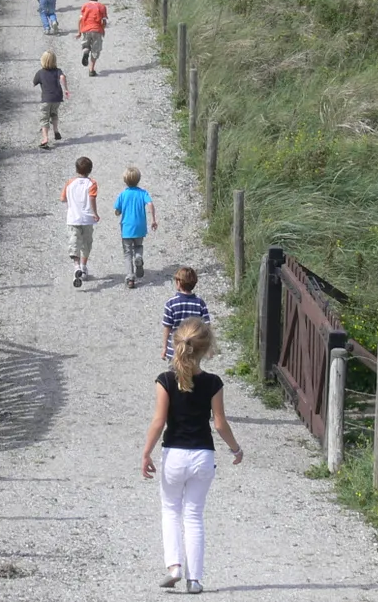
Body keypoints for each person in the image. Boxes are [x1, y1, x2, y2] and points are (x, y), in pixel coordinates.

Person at [141, 319, 243, 595]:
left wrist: (147, 452)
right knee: (194, 515)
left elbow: (159, 420)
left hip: (173, 454)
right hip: (202, 456)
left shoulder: (165, 381)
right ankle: (195, 580)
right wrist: (236, 449)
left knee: (171, 510)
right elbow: (220, 423)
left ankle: (174, 567)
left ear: (176, 346)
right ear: (206, 349)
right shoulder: (213, 383)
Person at [113, 166, 157, 288]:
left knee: (127, 253)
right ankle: (138, 257)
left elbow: (117, 210)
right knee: (138, 245)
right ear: (138, 179)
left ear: (125, 181)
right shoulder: (143, 193)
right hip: (140, 227)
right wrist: (153, 219)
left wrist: (118, 212)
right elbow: (150, 204)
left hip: (127, 228)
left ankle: (130, 278)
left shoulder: (123, 194)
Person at [60, 155, 99, 287]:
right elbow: (92, 198)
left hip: (73, 219)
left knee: (74, 243)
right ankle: (83, 267)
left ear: (76, 169)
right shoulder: (92, 183)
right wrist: (95, 213)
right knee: (86, 244)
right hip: (87, 219)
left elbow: (63, 199)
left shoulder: (70, 183)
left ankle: (76, 266)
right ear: (90, 170)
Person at [161, 267, 211, 362]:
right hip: (194, 349)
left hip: (175, 349)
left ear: (179, 282)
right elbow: (206, 327)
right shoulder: (200, 303)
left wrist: (164, 348)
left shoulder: (171, 304)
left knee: (175, 374)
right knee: (192, 374)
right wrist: (207, 348)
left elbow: (167, 327)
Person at [31, 51, 69, 149]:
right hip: (57, 98)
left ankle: (45, 138)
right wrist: (66, 89)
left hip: (46, 99)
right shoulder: (58, 70)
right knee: (54, 113)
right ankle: (56, 130)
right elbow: (62, 77)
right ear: (55, 61)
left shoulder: (40, 73)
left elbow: (34, 83)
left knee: (44, 118)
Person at [77, 0, 109, 77]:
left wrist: (79, 31)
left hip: (86, 30)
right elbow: (103, 21)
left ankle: (86, 51)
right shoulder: (102, 7)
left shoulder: (85, 6)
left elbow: (80, 19)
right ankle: (91, 70)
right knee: (95, 50)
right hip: (97, 31)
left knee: (86, 45)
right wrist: (103, 29)